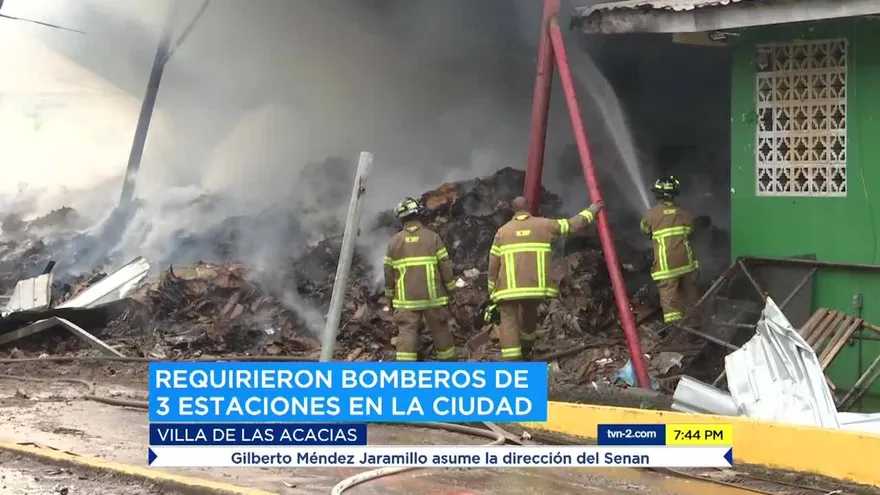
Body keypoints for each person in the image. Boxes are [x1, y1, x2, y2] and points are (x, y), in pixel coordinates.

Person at [487, 196, 604, 361]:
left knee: (508, 322)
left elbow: (493, 263)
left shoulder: (502, 232)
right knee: (529, 314)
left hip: (507, 289)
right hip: (534, 287)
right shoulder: (544, 225)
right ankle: (527, 349)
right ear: (528, 207)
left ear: (512, 210)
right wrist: (592, 210)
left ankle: (513, 363)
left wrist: (491, 288)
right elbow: (571, 225)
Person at [383, 197, 458, 362]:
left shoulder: (394, 242)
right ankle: (450, 366)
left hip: (406, 300)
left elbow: (388, 273)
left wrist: (389, 297)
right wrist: (451, 290)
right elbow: (445, 266)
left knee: (407, 333)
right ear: (418, 214)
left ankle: (406, 373)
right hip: (433, 297)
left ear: (401, 219)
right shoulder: (433, 238)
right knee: (440, 329)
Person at [640, 176, 699, 324]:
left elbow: (645, 230)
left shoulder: (651, 215)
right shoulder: (685, 215)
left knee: (670, 302)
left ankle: (675, 331)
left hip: (667, 267)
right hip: (687, 264)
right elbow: (691, 233)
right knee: (691, 297)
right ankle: (696, 327)